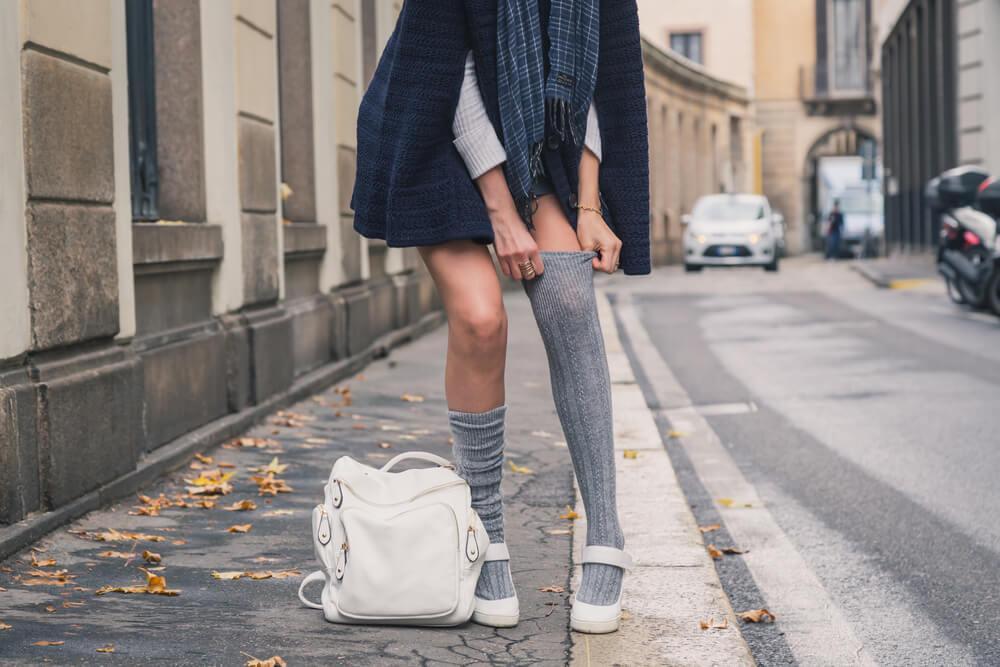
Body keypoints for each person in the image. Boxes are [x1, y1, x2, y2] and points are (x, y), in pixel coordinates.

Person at [351, 0, 649, 634]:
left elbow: (603, 78)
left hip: (535, 139)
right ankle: (483, 537)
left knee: (569, 299)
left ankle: (607, 533)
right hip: (433, 119)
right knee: (484, 320)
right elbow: (454, 73)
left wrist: (588, 206)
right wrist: (503, 212)